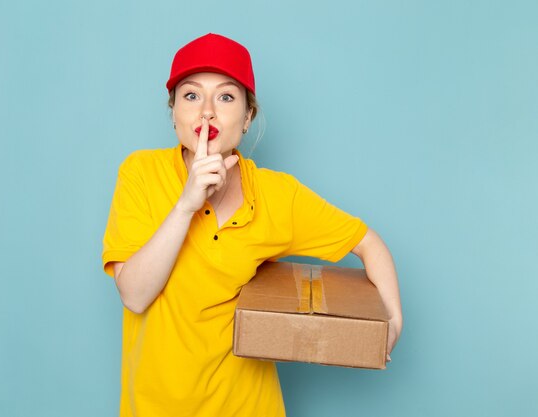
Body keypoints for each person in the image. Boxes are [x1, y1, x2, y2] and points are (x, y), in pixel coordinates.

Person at [102, 33, 402, 417]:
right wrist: (186, 206)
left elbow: (367, 243)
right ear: (173, 110)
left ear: (246, 118)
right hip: (155, 407)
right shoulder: (140, 174)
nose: (207, 111)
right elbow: (134, 295)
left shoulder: (277, 195)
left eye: (226, 97)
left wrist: (393, 321)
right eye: (191, 95)